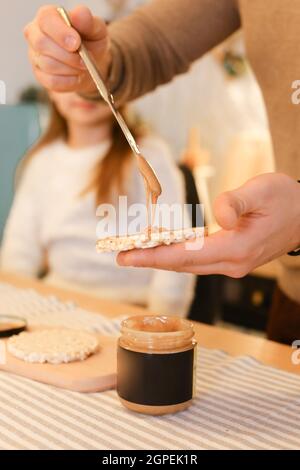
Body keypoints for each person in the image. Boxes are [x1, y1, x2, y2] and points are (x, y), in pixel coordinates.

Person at [24, 1, 300, 340]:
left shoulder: (152, 152)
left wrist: (158, 328)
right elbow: (152, 42)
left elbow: (172, 280)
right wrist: (99, 61)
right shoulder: (42, 162)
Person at [0, 91, 195, 316]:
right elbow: (19, 254)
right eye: (72, 77)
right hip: (56, 306)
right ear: (52, 89)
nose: (84, 90)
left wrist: (163, 320)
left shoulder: (149, 155)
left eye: (96, 76)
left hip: (132, 312)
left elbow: (178, 253)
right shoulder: (41, 163)